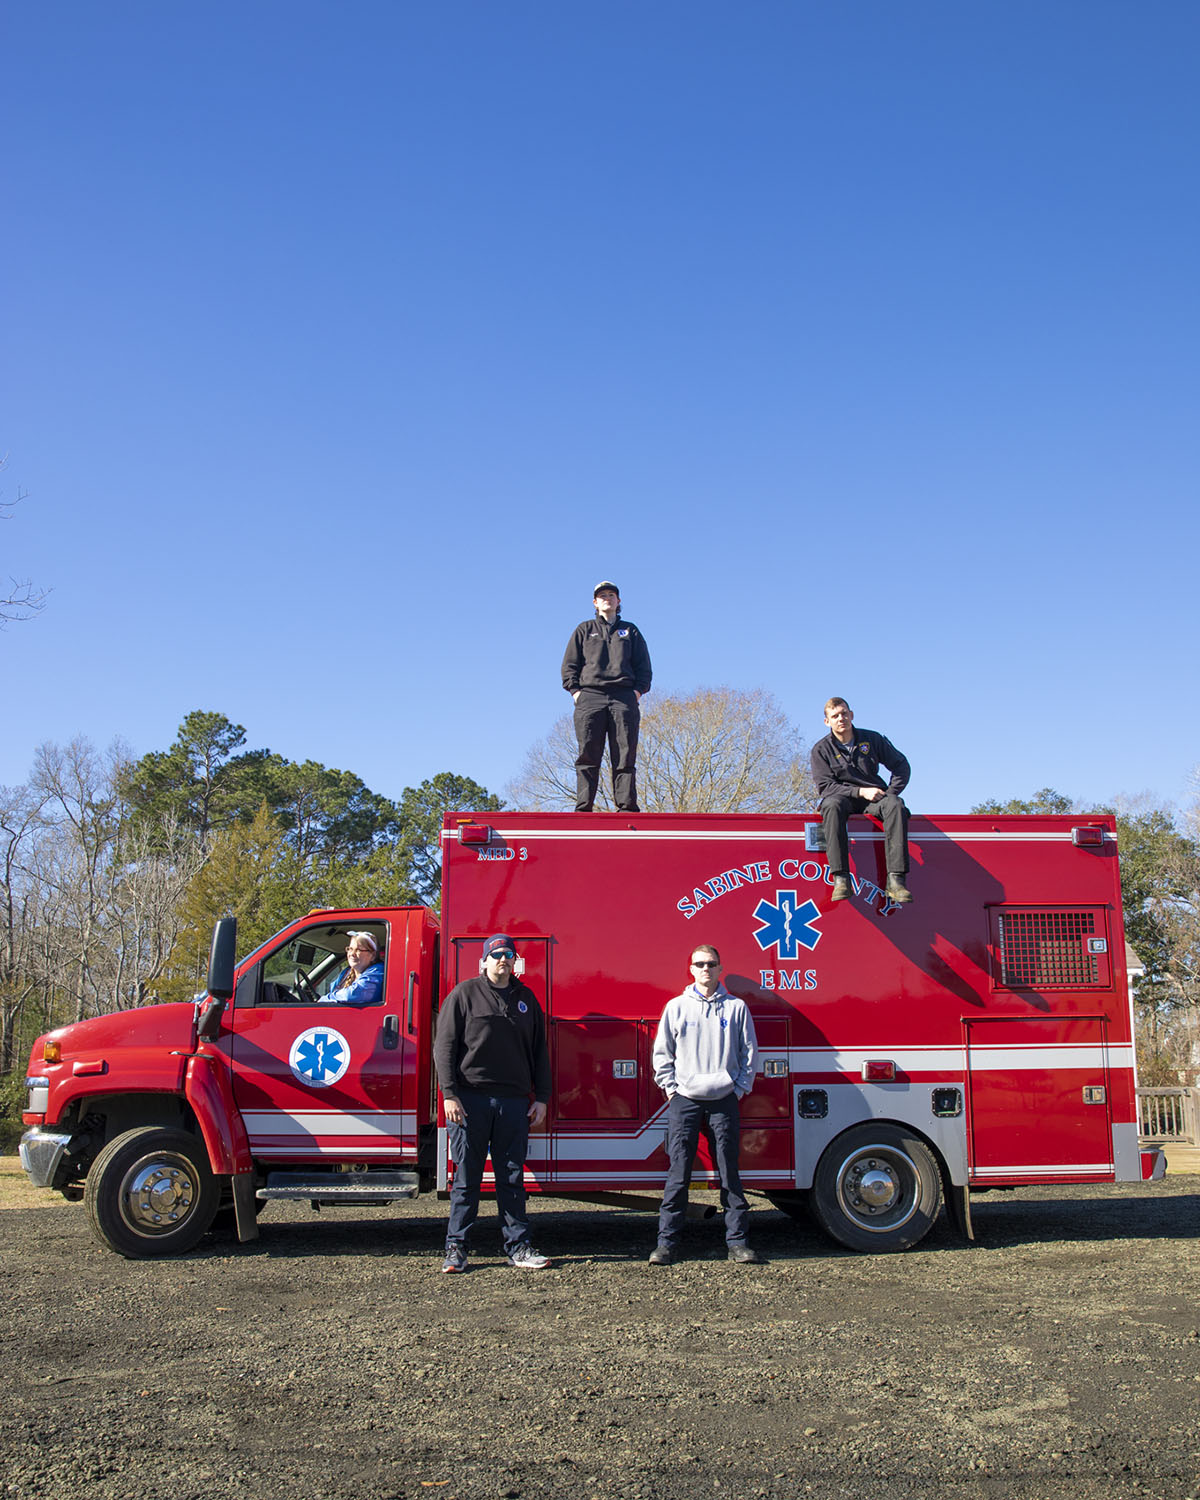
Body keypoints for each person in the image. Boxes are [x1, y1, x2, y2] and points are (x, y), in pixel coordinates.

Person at [433, 933, 552, 1273]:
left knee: (511, 1178)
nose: (503, 959)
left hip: (514, 1102)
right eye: (496, 954)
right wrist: (450, 1094)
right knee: (467, 1179)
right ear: (484, 961)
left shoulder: (526, 998)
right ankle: (456, 1249)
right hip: (470, 1100)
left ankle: (519, 1247)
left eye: (509, 955)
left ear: (515, 962)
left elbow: (539, 1052)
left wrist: (541, 1097)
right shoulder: (464, 995)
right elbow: (444, 1048)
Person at [649, 945, 761, 1265]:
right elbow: (662, 1054)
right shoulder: (676, 1007)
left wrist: (739, 1090)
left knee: (730, 1173)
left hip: (724, 1100)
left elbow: (749, 1054)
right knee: (678, 1173)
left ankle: (738, 1243)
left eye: (711, 964)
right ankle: (666, 1245)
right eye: (699, 964)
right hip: (684, 1100)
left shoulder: (736, 1008)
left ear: (720, 968)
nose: (706, 969)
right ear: (691, 969)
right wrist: (672, 1090)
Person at [560, 580, 652, 813]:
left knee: (624, 753)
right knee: (588, 753)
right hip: (590, 697)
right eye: (602, 596)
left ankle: (626, 806)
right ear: (595, 602)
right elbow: (570, 665)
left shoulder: (631, 631)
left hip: (623, 698)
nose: (607, 598)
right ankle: (584, 807)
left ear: (618, 601)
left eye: (611, 595)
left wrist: (636, 692)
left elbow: (644, 667)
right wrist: (576, 693)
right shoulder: (584, 629)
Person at [810, 697, 913, 904]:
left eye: (844, 714)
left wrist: (890, 793)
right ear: (827, 722)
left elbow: (901, 766)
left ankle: (896, 880)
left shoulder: (872, 740)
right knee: (830, 805)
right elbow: (825, 787)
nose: (841, 719)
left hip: (875, 799)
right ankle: (841, 879)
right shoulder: (821, 750)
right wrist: (860, 792)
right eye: (835, 716)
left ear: (852, 715)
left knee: (895, 804)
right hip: (844, 798)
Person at [321, 931, 385, 1005]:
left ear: (372, 955)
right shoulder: (346, 973)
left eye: (358, 950)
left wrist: (325, 999)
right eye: (350, 949)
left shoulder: (378, 971)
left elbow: (354, 994)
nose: (352, 954)